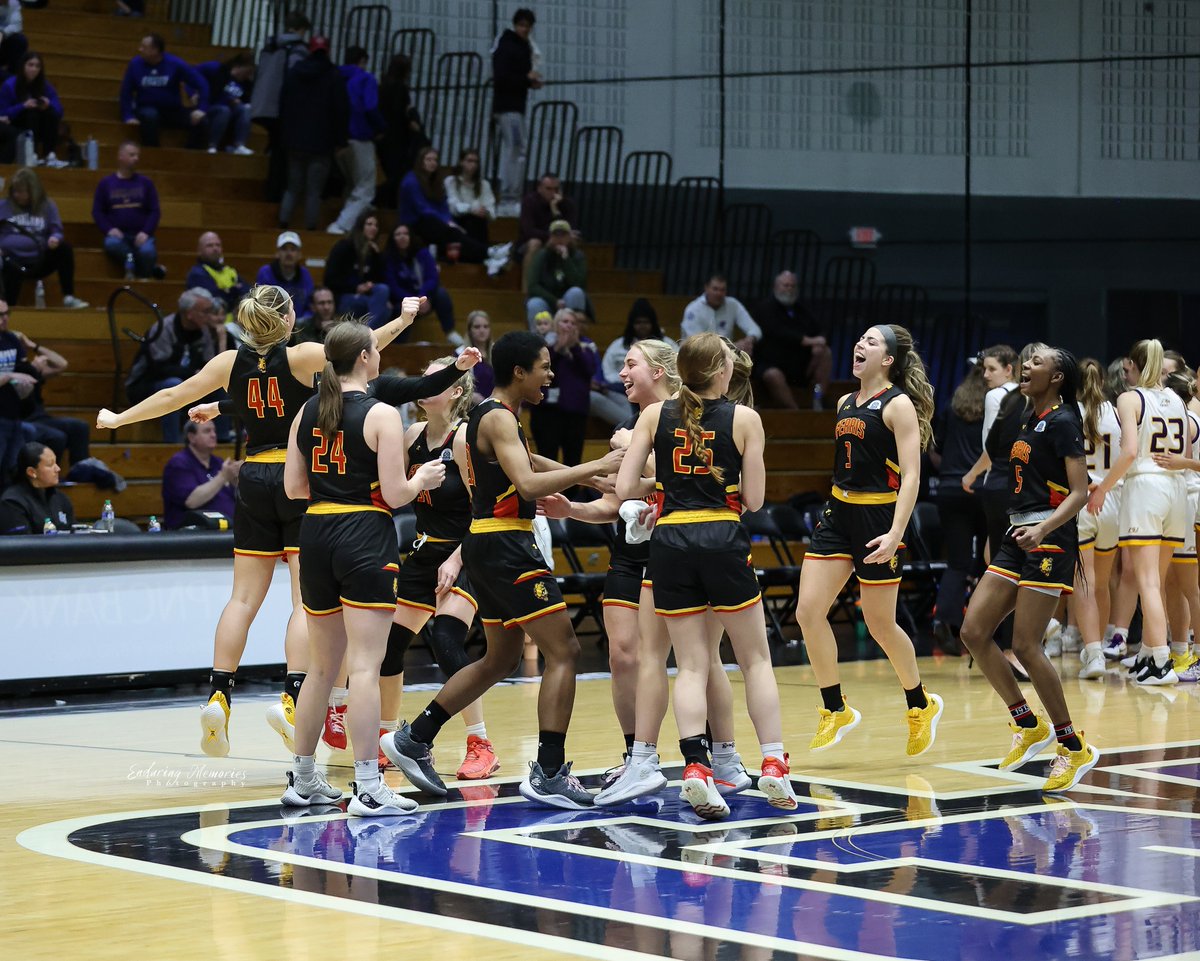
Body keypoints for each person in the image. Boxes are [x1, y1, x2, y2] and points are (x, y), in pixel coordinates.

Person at [98, 289, 449, 758]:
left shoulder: (228, 362)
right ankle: (290, 697)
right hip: (295, 476)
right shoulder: (303, 355)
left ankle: (219, 694)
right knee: (305, 602)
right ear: (287, 319)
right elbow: (355, 351)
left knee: (242, 598)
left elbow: (172, 395)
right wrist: (403, 322)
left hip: (253, 476)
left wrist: (119, 417)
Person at [381, 330, 626, 810]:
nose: (550, 375)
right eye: (544, 366)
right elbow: (530, 481)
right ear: (519, 371)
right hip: (507, 544)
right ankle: (550, 770)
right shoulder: (496, 417)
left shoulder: (485, 417)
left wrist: (601, 476)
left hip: (485, 544)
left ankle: (414, 738)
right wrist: (598, 465)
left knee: (500, 658)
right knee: (566, 651)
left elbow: (531, 460)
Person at [613, 332, 797, 819]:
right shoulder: (745, 418)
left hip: (670, 540)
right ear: (723, 371)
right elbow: (755, 501)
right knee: (754, 659)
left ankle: (695, 766)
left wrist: (666, 482)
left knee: (690, 665)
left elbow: (627, 486)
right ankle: (774, 762)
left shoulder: (654, 416)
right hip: (721, 536)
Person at [281, 321, 448, 817]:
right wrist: (423, 477)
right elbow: (396, 494)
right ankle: (368, 785)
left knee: (321, 669)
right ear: (365, 359)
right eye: (377, 350)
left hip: (315, 532)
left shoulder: (306, 411)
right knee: (365, 669)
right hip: (363, 533)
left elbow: (293, 488)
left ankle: (304, 777)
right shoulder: (381, 414)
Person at [793, 325, 943, 757]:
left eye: (871, 342)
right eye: (858, 339)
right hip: (838, 513)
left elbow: (912, 474)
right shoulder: (843, 401)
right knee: (807, 612)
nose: (859, 344)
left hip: (879, 517)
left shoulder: (898, 405)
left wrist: (897, 532)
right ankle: (834, 707)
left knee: (880, 624)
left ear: (889, 359)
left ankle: (919, 704)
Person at [959, 346, 1100, 792]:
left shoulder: (1063, 421)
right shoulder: (1023, 414)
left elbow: (1080, 491)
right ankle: (1027, 721)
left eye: (1037, 362)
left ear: (1057, 377)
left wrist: (1043, 528)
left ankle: (1072, 744)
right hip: (1016, 535)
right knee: (974, 631)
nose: (1027, 365)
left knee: (1026, 643)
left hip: (1050, 537)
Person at [382, 358, 501, 779]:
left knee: (447, 641)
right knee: (390, 647)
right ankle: (387, 735)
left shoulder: (466, 438)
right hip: (423, 550)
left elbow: (484, 508)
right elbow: (393, 493)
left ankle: (480, 743)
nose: (426, 381)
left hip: (466, 550)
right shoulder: (412, 434)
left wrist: (456, 557)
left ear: (455, 390)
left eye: (438, 377)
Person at [1089, 338, 1189, 686]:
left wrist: (1102, 487)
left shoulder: (1129, 398)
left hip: (1145, 485)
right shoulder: (1178, 398)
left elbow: (1129, 451)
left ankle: (1161, 661)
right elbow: (1185, 451)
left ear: (1133, 365)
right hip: (1177, 489)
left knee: (1147, 581)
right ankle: (1150, 651)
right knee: (1156, 581)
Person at [1070, 358, 1124, 680]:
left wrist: (1091, 485)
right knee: (1102, 583)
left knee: (1084, 582)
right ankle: (1099, 648)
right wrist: (1103, 486)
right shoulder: (1117, 413)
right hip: (1112, 499)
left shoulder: (1068, 413)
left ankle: (1093, 654)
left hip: (1080, 500)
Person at [931, 362, 987, 655]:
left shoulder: (952, 405)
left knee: (957, 562)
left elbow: (934, 450)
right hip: (984, 488)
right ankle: (981, 626)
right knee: (989, 563)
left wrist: (950, 471)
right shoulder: (997, 405)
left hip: (950, 489)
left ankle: (943, 618)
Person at [124, 287, 224, 442]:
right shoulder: (163, 329)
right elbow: (158, 368)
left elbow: (208, 362)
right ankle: (172, 444)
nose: (209, 316)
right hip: (147, 385)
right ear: (189, 313)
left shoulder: (203, 331)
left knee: (219, 385)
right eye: (205, 312)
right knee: (172, 385)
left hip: (187, 384)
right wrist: (192, 374)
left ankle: (223, 440)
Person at [278, 35, 348, 231]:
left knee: (292, 187)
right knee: (313, 191)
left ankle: (282, 223)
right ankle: (310, 230)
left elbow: (283, 103)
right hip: (321, 142)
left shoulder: (294, 72)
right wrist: (340, 140)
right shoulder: (334, 75)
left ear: (310, 49)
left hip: (294, 139)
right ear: (328, 50)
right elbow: (341, 110)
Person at [399, 146, 505, 269]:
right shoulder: (411, 180)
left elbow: (443, 206)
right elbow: (422, 208)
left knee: (459, 227)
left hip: (432, 221)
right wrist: (446, 222)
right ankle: (488, 253)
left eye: (435, 160)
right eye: (428, 159)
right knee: (443, 228)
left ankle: (487, 256)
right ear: (420, 161)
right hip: (415, 222)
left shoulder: (435, 181)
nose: (432, 163)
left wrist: (450, 221)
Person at [0, 166, 88, 308]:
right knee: (7, 271)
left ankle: (68, 296)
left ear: (32, 191)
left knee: (64, 249)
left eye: (21, 192)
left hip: (38, 259)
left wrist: (55, 238)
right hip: (12, 260)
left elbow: (57, 229)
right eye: (14, 191)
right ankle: (7, 309)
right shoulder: (3, 206)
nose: (16, 195)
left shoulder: (47, 205)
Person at [250, 10, 311, 202]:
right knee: (282, 152)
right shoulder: (298, 48)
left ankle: (272, 191)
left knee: (276, 144)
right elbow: (296, 76)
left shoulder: (270, 45)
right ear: (301, 29)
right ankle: (275, 193)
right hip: (281, 106)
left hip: (262, 104)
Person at [528, 308, 598, 467]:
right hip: (546, 412)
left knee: (573, 461)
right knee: (548, 458)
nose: (569, 326)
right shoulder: (544, 347)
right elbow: (541, 372)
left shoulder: (586, 347)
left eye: (573, 323)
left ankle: (572, 493)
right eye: (565, 321)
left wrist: (574, 348)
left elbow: (589, 371)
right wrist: (558, 350)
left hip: (575, 414)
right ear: (555, 325)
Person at [327, 45, 383, 236]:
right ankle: (342, 225)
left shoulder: (335, 77)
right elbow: (370, 107)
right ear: (362, 60)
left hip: (337, 138)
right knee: (366, 187)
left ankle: (349, 224)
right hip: (360, 136)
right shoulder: (365, 79)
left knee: (352, 184)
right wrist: (381, 128)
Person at [754, 270, 830, 409]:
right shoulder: (765, 308)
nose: (789, 289)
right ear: (776, 287)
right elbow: (777, 332)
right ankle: (796, 413)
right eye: (785, 285)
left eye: (792, 286)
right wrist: (807, 340)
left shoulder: (801, 308)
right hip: (772, 363)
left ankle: (818, 400)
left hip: (799, 365)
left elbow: (819, 330)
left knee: (825, 352)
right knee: (772, 374)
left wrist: (820, 343)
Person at [120, 33, 210, 149]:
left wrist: (202, 108)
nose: (140, 49)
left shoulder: (175, 63)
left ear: (155, 50)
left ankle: (189, 155)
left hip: (172, 111)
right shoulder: (135, 64)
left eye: (144, 47)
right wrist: (128, 116)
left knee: (202, 121)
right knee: (150, 116)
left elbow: (202, 83)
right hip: (146, 109)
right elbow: (126, 92)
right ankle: (154, 153)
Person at [491, 8, 541, 216]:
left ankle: (512, 196)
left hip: (514, 105)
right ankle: (509, 198)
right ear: (515, 25)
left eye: (527, 27)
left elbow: (514, 77)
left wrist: (529, 83)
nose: (524, 30)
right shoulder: (508, 46)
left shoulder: (521, 46)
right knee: (516, 149)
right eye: (521, 25)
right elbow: (502, 78)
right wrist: (526, 79)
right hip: (508, 106)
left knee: (517, 149)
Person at [92, 140, 166, 280]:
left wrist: (145, 232)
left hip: (141, 235)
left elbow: (154, 211)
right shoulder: (106, 183)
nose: (136, 158)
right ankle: (136, 262)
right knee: (111, 244)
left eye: (137, 155)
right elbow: (97, 212)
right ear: (121, 156)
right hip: (118, 237)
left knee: (148, 251)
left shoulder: (146, 183)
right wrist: (109, 229)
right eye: (132, 155)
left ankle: (138, 271)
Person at [381, 223, 459, 343]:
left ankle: (450, 332)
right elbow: (393, 286)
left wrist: (422, 296)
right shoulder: (389, 258)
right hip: (403, 301)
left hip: (424, 297)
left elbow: (432, 277)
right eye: (398, 234)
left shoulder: (422, 253)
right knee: (398, 310)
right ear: (393, 238)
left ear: (411, 236)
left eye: (405, 233)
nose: (402, 237)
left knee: (441, 294)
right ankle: (400, 346)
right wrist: (413, 301)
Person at [161, 419, 239, 529]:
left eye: (214, 431)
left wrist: (237, 479)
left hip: (227, 528)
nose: (213, 435)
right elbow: (192, 501)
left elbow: (234, 498)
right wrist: (223, 476)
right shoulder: (178, 464)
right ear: (191, 437)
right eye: (207, 431)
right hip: (193, 534)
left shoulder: (218, 462)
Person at [376, 53, 428, 208]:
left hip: (384, 134)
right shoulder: (400, 88)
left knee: (389, 171)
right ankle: (388, 202)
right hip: (397, 136)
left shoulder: (382, 86)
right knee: (398, 172)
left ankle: (384, 201)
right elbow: (399, 111)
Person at [324, 208, 389, 328]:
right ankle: (369, 337)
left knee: (383, 289)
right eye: (369, 224)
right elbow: (330, 280)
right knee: (384, 310)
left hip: (366, 296)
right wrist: (356, 288)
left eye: (376, 225)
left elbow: (381, 279)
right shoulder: (344, 247)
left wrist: (377, 257)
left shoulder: (374, 252)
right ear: (360, 226)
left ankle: (368, 334)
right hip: (343, 297)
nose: (374, 228)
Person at [525, 220, 591, 325]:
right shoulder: (541, 256)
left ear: (569, 237)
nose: (559, 239)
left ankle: (574, 334)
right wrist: (554, 301)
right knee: (534, 303)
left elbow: (579, 283)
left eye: (563, 235)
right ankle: (538, 340)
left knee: (576, 292)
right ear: (550, 237)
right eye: (556, 235)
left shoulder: (578, 256)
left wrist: (566, 259)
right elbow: (532, 286)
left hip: (568, 301)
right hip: (547, 300)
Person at [516, 172, 576, 285]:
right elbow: (528, 231)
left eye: (556, 189)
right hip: (532, 243)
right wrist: (552, 237)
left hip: (558, 241)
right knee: (535, 243)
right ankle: (527, 290)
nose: (553, 193)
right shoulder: (530, 201)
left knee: (573, 240)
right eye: (548, 189)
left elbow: (568, 229)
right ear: (540, 189)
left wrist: (556, 212)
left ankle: (570, 286)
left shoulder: (567, 204)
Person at [0, 51, 61, 162]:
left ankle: (49, 155)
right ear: (23, 66)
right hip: (16, 120)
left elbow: (59, 109)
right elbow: (3, 112)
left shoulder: (45, 85)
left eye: (37, 66)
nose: (34, 69)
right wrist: (23, 106)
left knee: (51, 114)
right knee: (31, 113)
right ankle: (31, 154)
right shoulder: (10, 85)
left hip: (39, 121)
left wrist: (48, 104)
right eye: (30, 65)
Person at [0, 441, 71, 534]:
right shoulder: (12, 503)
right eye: (50, 464)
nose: (58, 469)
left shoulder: (61, 498)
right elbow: (20, 544)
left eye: (56, 463)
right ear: (32, 472)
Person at [680, 274, 760, 352]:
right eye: (715, 289)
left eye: (722, 290)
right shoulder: (693, 309)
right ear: (706, 288)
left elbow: (755, 330)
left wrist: (748, 341)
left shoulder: (733, 305)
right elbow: (697, 344)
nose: (719, 293)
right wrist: (733, 346)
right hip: (697, 358)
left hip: (726, 359)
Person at [196, 51, 254, 155]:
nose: (247, 75)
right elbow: (213, 92)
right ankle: (212, 145)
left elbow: (247, 100)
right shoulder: (221, 72)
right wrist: (229, 99)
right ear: (239, 66)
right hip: (214, 106)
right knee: (224, 110)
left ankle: (239, 145)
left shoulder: (246, 83)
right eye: (247, 72)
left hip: (233, 110)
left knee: (245, 109)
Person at [0, 296, 34, 471]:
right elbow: (13, 374)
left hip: (13, 415)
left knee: (12, 470)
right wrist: (11, 376)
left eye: (7, 313)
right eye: (0, 315)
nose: (5, 318)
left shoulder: (12, 339)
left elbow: (25, 370)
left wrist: (27, 383)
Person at [445, 148, 499, 250]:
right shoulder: (451, 181)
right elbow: (453, 206)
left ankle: (482, 253)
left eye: (476, 162)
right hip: (457, 222)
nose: (473, 165)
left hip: (478, 223)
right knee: (471, 220)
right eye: (469, 161)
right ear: (461, 162)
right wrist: (472, 209)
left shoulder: (484, 184)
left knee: (477, 221)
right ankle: (485, 252)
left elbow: (491, 210)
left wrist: (485, 212)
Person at [186, 231, 249, 318]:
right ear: (199, 251)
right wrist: (234, 291)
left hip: (236, 325)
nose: (215, 248)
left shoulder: (230, 271)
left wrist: (228, 292)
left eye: (218, 245)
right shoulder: (197, 274)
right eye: (210, 245)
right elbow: (214, 302)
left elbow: (248, 293)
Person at [256, 231, 313, 321]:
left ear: (299, 255)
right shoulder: (265, 272)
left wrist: (302, 321)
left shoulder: (305, 274)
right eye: (284, 249)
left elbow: (310, 306)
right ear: (277, 253)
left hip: (300, 325)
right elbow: (260, 305)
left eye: (293, 249)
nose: (288, 253)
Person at [458, 309, 494, 404]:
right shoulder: (461, 353)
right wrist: (471, 395)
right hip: (471, 407)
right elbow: (457, 384)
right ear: (469, 330)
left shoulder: (497, 351)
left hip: (496, 405)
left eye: (486, 327)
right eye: (477, 327)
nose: (482, 330)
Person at [0, 1, 26, 79]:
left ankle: (13, 75)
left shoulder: (14, 3)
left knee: (20, 40)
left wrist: (3, 32)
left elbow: (17, 26)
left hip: (3, 39)